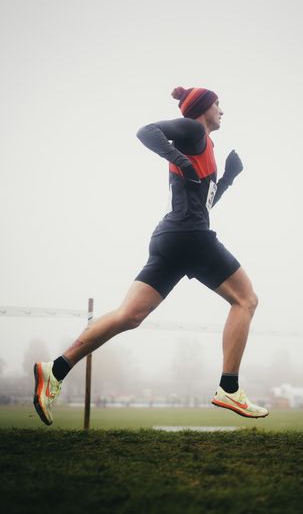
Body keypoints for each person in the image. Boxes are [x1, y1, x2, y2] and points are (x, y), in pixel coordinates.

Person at [33, 86, 269, 425]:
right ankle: (228, 388)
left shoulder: (205, 144)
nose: (222, 111)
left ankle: (54, 369)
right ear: (203, 108)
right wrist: (179, 159)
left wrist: (228, 178)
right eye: (218, 104)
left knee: (129, 315)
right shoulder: (192, 129)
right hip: (189, 236)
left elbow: (203, 206)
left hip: (173, 238)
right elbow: (146, 132)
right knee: (246, 300)